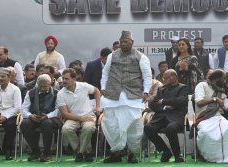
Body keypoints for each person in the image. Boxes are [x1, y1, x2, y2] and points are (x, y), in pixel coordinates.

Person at [100, 30, 152, 163]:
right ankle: (116, 152)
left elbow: (147, 76)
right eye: (121, 42)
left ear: (132, 42)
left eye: (126, 42)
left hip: (132, 97)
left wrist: (146, 91)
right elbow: (105, 73)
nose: (123, 44)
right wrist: (103, 88)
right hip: (113, 96)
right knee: (112, 125)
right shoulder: (112, 56)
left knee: (133, 127)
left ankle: (132, 153)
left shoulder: (141, 57)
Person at [144, 69, 188, 163]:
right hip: (160, 117)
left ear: (174, 77)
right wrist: (165, 107)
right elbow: (153, 104)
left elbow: (181, 101)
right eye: (163, 78)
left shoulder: (183, 87)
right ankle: (165, 151)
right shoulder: (161, 89)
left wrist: (163, 101)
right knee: (148, 127)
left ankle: (177, 154)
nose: (164, 80)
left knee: (171, 128)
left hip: (175, 117)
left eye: (166, 78)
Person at [57, 68, 101, 162]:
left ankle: (79, 153)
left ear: (74, 79)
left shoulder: (84, 86)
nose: (64, 81)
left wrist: (97, 106)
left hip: (88, 115)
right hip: (73, 117)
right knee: (65, 129)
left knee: (88, 128)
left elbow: (97, 91)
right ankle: (85, 152)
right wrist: (81, 118)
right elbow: (65, 114)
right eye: (63, 78)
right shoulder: (60, 94)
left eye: (66, 79)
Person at [195, 69, 228, 163]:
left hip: (218, 117)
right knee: (205, 132)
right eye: (224, 78)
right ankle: (208, 156)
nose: (226, 81)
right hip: (204, 117)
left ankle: (224, 157)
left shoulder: (222, 91)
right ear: (217, 78)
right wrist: (215, 99)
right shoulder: (202, 85)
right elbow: (200, 102)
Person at [20, 74, 61, 162]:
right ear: (37, 85)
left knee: (47, 123)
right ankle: (35, 151)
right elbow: (23, 109)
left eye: (45, 86)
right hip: (34, 117)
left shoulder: (57, 93)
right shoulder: (30, 92)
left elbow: (58, 110)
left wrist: (47, 116)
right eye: (40, 86)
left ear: (50, 84)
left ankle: (47, 153)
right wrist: (30, 115)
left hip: (50, 118)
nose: (42, 89)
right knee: (24, 124)